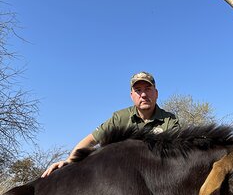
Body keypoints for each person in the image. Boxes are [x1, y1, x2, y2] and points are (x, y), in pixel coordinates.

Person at [42, 71, 179, 177]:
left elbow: (176, 156)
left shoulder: (169, 120)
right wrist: (70, 161)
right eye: (138, 90)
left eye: (148, 89)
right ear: (132, 95)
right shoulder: (119, 118)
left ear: (156, 93)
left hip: (157, 176)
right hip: (124, 178)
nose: (143, 94)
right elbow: (91, 140)